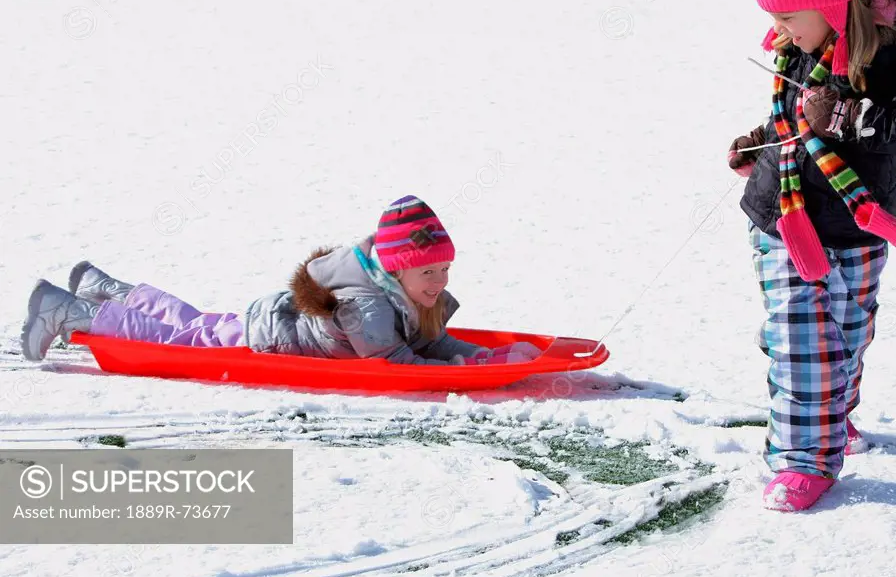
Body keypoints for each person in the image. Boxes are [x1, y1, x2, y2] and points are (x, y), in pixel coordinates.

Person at [727, 0, 896, 511]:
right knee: (800, 338)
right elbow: (796, 118)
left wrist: (854, 115)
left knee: (846, 337)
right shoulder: (798, 48)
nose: (778, 32)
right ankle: (804, 459)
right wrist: (760, 142)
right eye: (773, 19)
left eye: (788, 18)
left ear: (831, 4)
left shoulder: (889, 59)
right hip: (782, 216)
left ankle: (828, 414)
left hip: (857, 224)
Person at [21, 195, 541, 366]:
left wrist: (473, 355)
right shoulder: (370, 307)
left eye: (445, 269)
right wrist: (462, 373)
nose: (440, 280)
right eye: (429, 271)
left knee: (194, 323)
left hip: (272, 318)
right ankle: (70, 311)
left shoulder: (402, 291)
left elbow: (433, 340)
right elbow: (395, 363)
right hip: (266, 338)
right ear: (397, 269)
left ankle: (105, 288)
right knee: (179, 338)